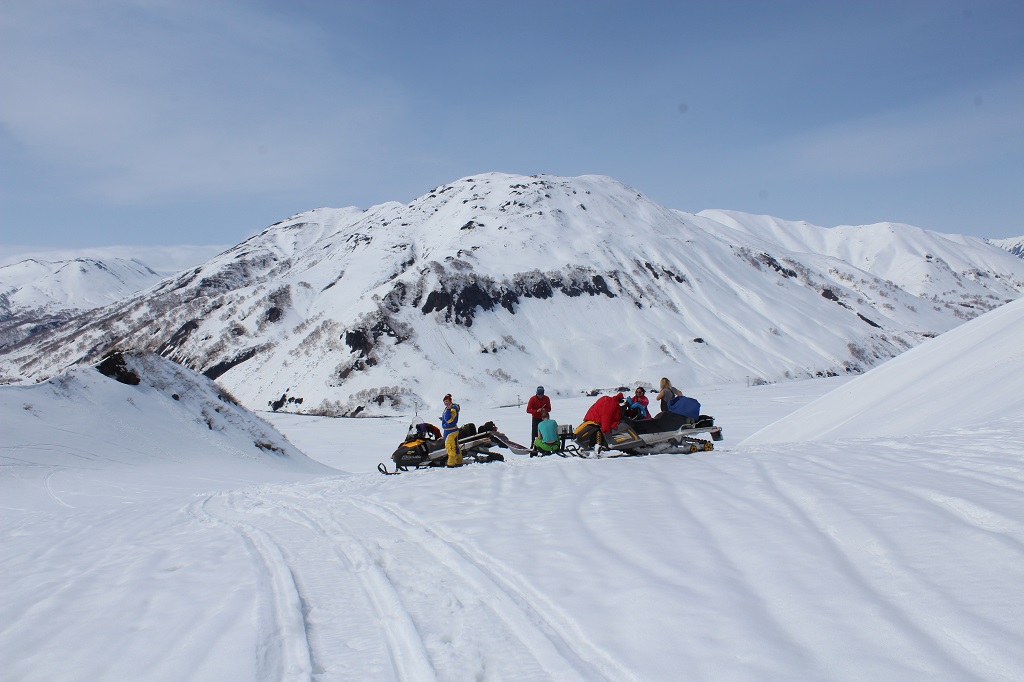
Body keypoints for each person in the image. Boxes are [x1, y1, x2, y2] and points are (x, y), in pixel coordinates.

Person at [440, 393, 461, 467]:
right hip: (452, 429)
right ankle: (459, 461)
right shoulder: (450, 408)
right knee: (455, 446)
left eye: (447, 401)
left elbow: (449, 419)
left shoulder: (452, 409)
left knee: (450, 447)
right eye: (445, 402)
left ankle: (451, 463)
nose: (446, 403)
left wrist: (448, 410)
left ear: (450, 400)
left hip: (450, 431)